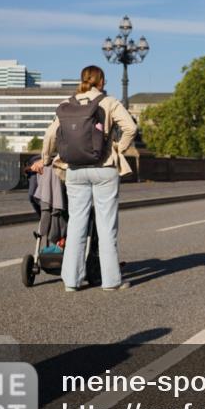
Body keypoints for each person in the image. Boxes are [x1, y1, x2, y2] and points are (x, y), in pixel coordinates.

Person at [36, 65, 137, 292]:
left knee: (76, 225)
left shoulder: (69, 104)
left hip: (75, 169)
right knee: (106, 226)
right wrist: (118, 149)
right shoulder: (108, 102)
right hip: (104, 168)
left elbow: (50, 135)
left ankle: (71, 281)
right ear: (101, 81)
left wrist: (46, 159)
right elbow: (130, 128)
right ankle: (111, 281)